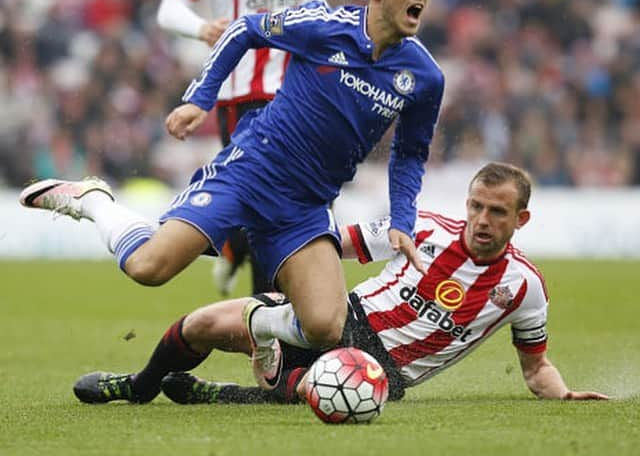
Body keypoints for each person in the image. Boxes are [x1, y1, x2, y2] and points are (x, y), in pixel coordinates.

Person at [19, 0, 443, 392]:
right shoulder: (324, 25)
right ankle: (94, 201)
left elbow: (411, 154)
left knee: (325, 326)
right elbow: (245, 29)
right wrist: (200, 100)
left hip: (306, 204)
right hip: (250, 172)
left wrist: (402, 219)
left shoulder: (425, 76)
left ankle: (261, 329)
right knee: (149, 268)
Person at [69, 162, 608, 405]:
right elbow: (330, 243)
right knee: (204, 323)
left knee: (319, 389)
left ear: (521, 220)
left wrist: (562, 394)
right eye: (476, 206)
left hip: (384, 369)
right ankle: (139, 386)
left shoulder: (523, 287)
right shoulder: (417, 229)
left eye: (497, 211)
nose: (483, 219)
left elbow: (535, 367)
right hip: (341, 314)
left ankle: (229, 391)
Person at [156, 0, 325, 296]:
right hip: (243, 92)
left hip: (301, 91)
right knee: (265, 203)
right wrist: (203, 27)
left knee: (289, 202)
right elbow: (169, 7)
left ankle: (237, 253)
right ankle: (266, 317)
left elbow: (314, 3)